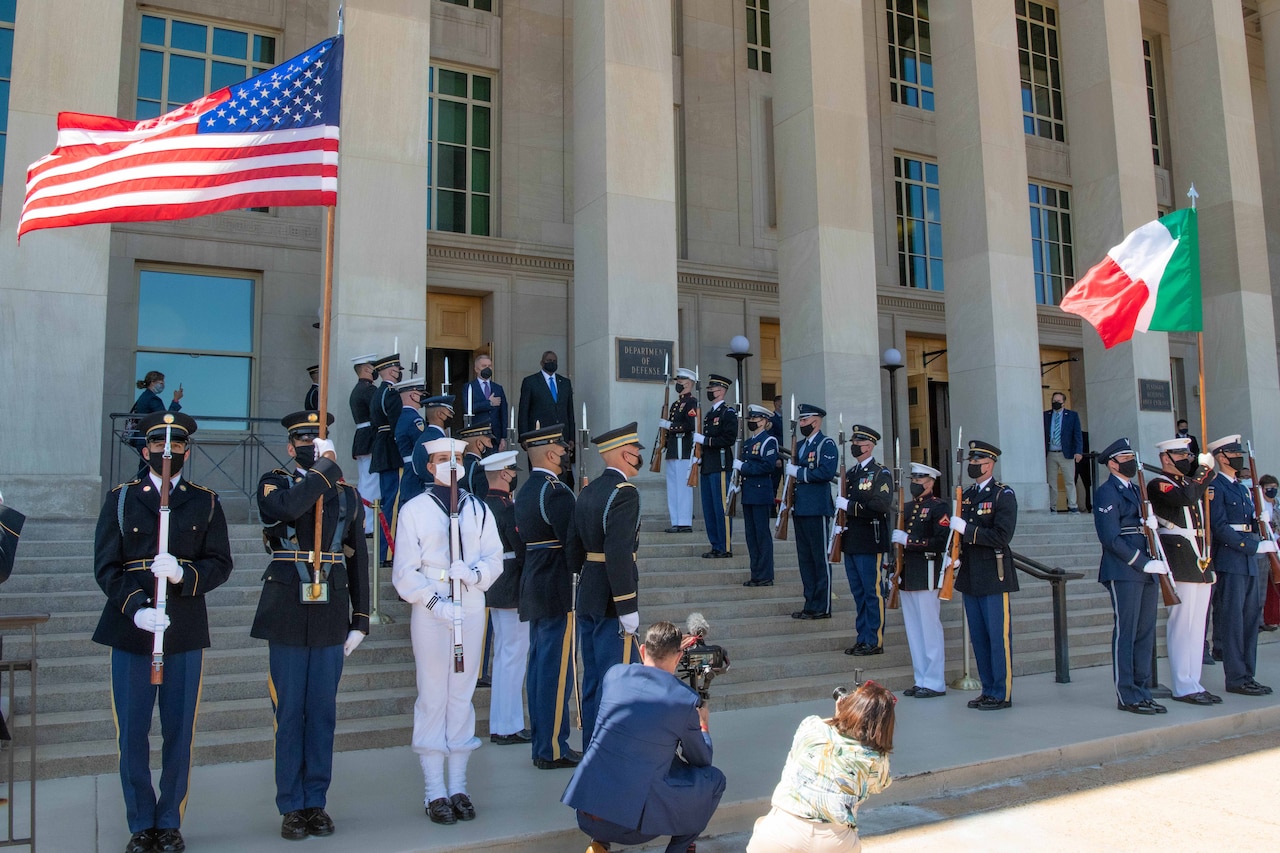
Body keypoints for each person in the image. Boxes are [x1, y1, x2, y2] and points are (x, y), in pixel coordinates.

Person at [93, 412, 233, 853]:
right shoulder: (121, 500)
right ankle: (141, 823)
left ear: (187, 452)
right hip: (131, 628)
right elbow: (106, 567)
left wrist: (183, 574)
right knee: (132, 733)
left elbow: (220, 564)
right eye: (158, 446)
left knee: (179, 731)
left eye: (176, 447)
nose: (167, 453)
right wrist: (135, 608)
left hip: (184, 628)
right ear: (144, 450)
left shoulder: (205, 501)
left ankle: (170, 820)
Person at [253, 411, 370, 839]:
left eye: (316, 437)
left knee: (321, 713)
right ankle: (291, 805)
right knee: (290, 714)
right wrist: (322, 473)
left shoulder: (349, 495)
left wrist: (360, 619)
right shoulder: (275, 482)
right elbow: (284, 509)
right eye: (301, 438)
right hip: (286, 607)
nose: (308, 442)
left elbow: (358, 557)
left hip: (329, 611)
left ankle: (316, 801)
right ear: (290, 447)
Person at [392, 437, 504, 824]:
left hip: (470, 603)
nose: (451, 465)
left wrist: (475, 574)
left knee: (462, 693)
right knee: (433, 694)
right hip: (432, 607)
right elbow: (404, 570)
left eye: (456, 458)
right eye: (443, 459)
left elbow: (495, 558)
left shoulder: (477, 509)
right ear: (429, 466)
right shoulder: (415, 510)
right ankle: (433, 790)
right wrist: (433, 602)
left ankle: (458, 785)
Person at [562, 621, 726, 853]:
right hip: (632, 828)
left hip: (587, 814)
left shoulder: (614, 675)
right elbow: (701, 760)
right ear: (679, 657)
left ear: (641, 651)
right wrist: (703, 726)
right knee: (715, 780)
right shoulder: (683, 699)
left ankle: (599, 844)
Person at [746, 680, 894, 853]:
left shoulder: (811, 726)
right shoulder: (877, 759)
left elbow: (827, 734)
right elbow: (879, 785)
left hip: (780, 833)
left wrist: (838, 717)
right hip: (834, 841)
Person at [516, 424, 586, 768]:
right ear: (549, 454)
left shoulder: (527, 490)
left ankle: (543, 744)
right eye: (560, 450)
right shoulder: (556, 491)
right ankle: (552, 748)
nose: (564, 455)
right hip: (557, 586)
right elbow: (572, 539)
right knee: (556, 672)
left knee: (540, 667)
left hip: (534, 582)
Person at [574, 422, 644, 746]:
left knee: (593, 679)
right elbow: (618, 552)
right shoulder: (624, 493)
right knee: (615, 680)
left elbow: (575, 548)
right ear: (624, 453)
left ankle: (591, 746)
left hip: (588, 592)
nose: (638, 456)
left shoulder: (588, 490)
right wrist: (627, 606)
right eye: (635, 451)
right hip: (611, 601)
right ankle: (609, 750)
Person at [1092, 438, 1167, 715]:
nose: (1130, 462)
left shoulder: (1137, 490)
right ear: (1112, 463)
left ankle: (1142, 690)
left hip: (1146, 568)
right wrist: (1142, 562)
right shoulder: (1106, 492)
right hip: (1124, 569)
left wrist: (1151, 523)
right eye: (1124, 457)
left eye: (1130, 456)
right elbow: (1110, 537)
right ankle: (1127, 694)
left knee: (1144, 632)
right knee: (1126, 632)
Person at [1147, 437, 1219, 705]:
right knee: (1182, 624)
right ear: (1166, 457)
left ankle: (1194, 681)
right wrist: (1204, 472)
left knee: (1198, 625)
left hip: (1199, 558)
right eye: (1181, 455)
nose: (1187, 460)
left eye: (1188, 455)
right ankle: (1182, 684)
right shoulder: (1160, 484)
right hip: (1180, 558)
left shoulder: (1189, 484)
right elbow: (1186, 498)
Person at [948, 440, 1018, 710]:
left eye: (977, 463)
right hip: (971, 573)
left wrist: (967, 530)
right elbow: (958, 535)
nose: (973, 467)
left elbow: (1003, 536)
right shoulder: (966, 495)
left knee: (997, 637)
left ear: (990, 465)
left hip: (994, 572)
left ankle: (1001, 692)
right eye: (971, 463)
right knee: (978, 637)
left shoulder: (1003, 495)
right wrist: (953, 554)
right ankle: (988, 689)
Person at [1206, 434, 1276, 696]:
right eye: (1234, 454)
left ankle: (1248, 674)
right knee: (1234, 620)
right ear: (1221, 457)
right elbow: (1220, 527)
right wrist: (1252, 546)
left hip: (1247, 559)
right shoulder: (1216, 487)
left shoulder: (1241, 487)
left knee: (1249, 620)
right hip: (1231, 558)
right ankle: (1236, 677)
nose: (1239, 458)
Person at [479, 450, 532, 747]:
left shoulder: (481, 505)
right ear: (503, 474)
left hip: (494, 586)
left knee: (503, 656)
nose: (514, 477)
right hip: (511, 585)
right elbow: (520, 547)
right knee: (513, 657)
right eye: (512, 473)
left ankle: (502, 723)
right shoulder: (506, 509)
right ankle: (508, 726)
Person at [892, 462, 950, 699]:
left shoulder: (939, 508)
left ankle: (935, 681)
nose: (915, 484)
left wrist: (910, 541)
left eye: (919, 480)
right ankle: (921, 678)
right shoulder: (906, 508)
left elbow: (941, 540)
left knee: (929, 629)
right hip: (907, 575)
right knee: (914, 631)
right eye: (913, 480)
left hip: (927, 573)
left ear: (930, 482)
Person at [837, 425, 892, 656]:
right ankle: (863, 637)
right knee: (858, 592)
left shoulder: (881, 473)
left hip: (870, 540)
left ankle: (874, 640)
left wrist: (849, 507)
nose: (854, 446)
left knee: (872, 592)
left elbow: (880, 505)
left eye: (858, 443)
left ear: (868, 446)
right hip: (851, 539)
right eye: (853, 442)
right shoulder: (850, 474)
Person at [787, 404, 838, 620]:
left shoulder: (826, 444)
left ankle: (822, 605)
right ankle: (810, 602)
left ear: (816, 421)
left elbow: (825, 472)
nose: (801, 424)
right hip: (801, 508)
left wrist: (799, 472)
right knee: (805, 559)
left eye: (804, 421)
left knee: (819, 559)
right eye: (800, 421)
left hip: (817, 508)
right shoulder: (798, 445)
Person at [517, 351, 576, 486]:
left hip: (561, 437)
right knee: (540, 474)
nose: (552, 363)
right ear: (542, 362)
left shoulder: (565, 383)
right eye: (549, 361)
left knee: (562, 474)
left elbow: (570, 412)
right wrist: (523, 437)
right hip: (539, 437)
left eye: (554, 361)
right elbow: (524, 411)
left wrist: (571, 436)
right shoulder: (530, 382)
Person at [367, 353, 404, 566]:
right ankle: (388, 552)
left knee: (386, 503)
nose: (399, 373)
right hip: (392, 450)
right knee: (393, 503)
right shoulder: (390, 394)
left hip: (381, 448)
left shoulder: (377, 393)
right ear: (391, 371)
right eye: (397, 370)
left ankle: (385, 551)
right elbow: (396, 424)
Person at [737, 404, 779, 586]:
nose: (752, 422)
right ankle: (756, 573)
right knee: (751, 536)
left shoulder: (769, 441)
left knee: (761, 535)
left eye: (755, 419)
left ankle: (765, 574)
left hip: (761, 493)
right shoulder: (747, 443)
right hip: (748, 493)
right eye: (751, 419)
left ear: (764, 421)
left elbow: (767, 466)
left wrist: (744, 468)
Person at [696, 374, 737, 558]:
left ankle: (725, 546)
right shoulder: (709, 414)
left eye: (712, 390)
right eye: (709, 390)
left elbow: (728, 438)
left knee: (721, 507)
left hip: (720, 466)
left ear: (721, 391)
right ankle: (715, 544)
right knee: (709, 507)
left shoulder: (727, 413)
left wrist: (706, 440)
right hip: (708, 465)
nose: (710, 393)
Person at [660, 367, 699, 533]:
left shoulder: (691, 402)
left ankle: (684, 522)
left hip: (684, 449)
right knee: (673, 487)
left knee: (683, 487)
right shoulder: (676, 404)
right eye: (677, 381)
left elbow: (691, 426)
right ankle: (675, 520)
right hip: (673, 449)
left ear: (689, 383)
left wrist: (670, 426)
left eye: (681, 381)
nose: (678, 383)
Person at [348, 353, 380, 535]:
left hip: (362, 437)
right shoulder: (369, 390)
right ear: (367, 369)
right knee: (371, 482)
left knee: (365, 481)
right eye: (373, 368)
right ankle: (368, 525)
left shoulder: (358, 389)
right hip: (370, 438)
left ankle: (363, 523)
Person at [391, 377, 428, 513]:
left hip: (408, 467)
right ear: (413, 395)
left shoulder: (404, 417)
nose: (422, 398)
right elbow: (422, 444)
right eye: (420, 394)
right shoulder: (414, 419)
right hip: (415, 469)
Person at [1043, 391, 1083, 513]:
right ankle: (1052, 506)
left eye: (1058, 401)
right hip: (1051, 453)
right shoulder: (1046, 415)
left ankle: (1072, 505)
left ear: (1064, 403)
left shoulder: (1072, 416)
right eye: (1054, 401)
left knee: (1069, 481)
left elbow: (1077, 435)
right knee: (1051, 482)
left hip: (1066, 453)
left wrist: (1078, 451)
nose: (1056, 403)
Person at [408, 395, 456, 491]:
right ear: (440, 414)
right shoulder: (440, 441)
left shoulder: (420, 439)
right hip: (441, 491)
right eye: (449, 413)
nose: (451, 416)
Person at [463, 354, 509, 451]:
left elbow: (503, 413)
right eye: (484, 366)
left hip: (495, 437)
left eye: (489, 366)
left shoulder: (498, 388)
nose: (487, 368)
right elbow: (469, 408)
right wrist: (488, 403)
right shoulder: (469, 387)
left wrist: (503, 437)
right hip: (477, 435)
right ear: (476, 369)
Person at [1259, 473, 1280, 631]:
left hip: (1277, 545)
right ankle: (1264, 619)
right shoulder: (1258, 505)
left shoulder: (1277, 505)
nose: (1272, 491)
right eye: (1268, 488)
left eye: (1274, 488)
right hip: (1263, 547)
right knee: (1263, 586)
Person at [459, 414, 495, 500]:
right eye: (489, 441)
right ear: (479, 444)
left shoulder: (461, 464)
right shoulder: (479, 468)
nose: (491, 446)